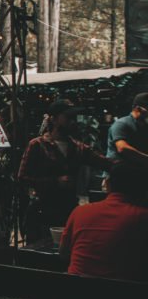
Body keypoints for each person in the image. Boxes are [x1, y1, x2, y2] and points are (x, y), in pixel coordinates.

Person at [18, 99, 112, 241]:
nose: (73, 121)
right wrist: (55, 182)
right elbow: (22, 178)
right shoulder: (37, 145)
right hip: (41, 213)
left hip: (67, 213)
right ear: (54, 119)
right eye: (68, 117)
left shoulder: (78, 148)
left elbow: (105, 163)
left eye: (74, 117)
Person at [59, 162, 148, 282]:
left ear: (107, 184)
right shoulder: (142, 216)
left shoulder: (80, 211)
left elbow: (64, 253)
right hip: (124, 297)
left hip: (75, 293)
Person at [106, 92, 148, 167]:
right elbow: (122, 148)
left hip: (137, 172)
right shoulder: (122, 123)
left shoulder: (144, 126)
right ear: (138, 108)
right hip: (118, 173)